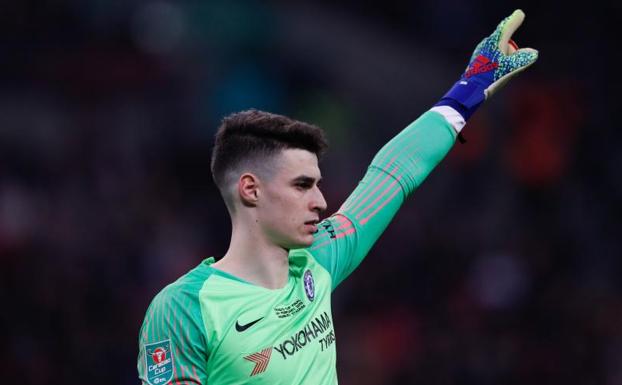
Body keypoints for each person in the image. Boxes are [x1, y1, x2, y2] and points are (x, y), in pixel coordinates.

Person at [137, 9, 538, 385]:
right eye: (301, 185)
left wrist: (471, 85)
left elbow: (392, 176)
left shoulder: (319, 259)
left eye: (316, 184)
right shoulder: (184, 308)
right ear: (250, 190)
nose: (320, 201)